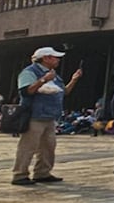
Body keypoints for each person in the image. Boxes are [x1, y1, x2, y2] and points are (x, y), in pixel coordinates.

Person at [12, 47, 82, 186]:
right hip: (34, 115)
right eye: (55, 57)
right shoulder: (29, 72)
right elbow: (27, 91)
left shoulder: (54, 75)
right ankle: (20, 174)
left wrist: (74, 80)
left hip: (50, 116)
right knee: (28, 146)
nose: (58, 60)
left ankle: (42, 173)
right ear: (46, 58)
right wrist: (44, 79)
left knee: (48, 147)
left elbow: (64, 92)